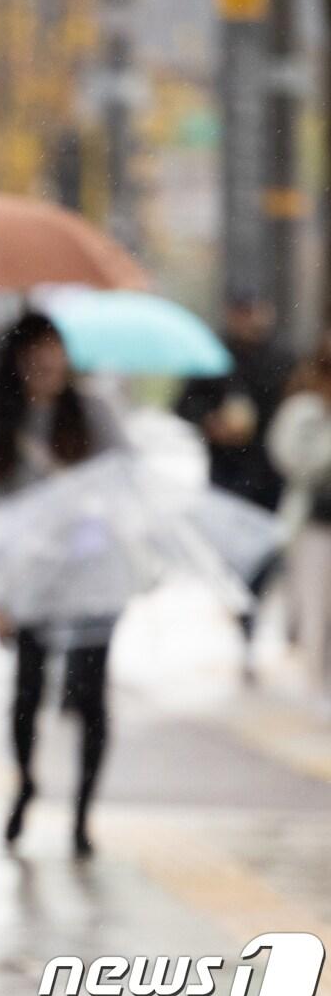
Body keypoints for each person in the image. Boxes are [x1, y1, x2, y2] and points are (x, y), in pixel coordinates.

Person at [0, 312, 126, 859]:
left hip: (91, 575)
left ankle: (84, 812)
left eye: (54, 349)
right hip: (31, 583)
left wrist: (86, 516)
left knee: (90, 697)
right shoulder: (5, 424)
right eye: (36, 352)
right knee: (26, 694)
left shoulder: (93, 412)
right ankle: (25, 784)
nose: (47, 363)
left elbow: (123, 483)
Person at [175, 293, 292, 664]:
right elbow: (185, 405)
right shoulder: (213, 358)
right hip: (227, 473)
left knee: (266, 552)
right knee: (231, 551)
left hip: (269, 472)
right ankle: (242, 608)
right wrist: (212, 422)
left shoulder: (280, 359)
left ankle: (250, 611)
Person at [268, 333, 331, 715]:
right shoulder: (305, 411)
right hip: (315, 525)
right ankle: (317, 684)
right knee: (317, 609)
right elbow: (293, 460)